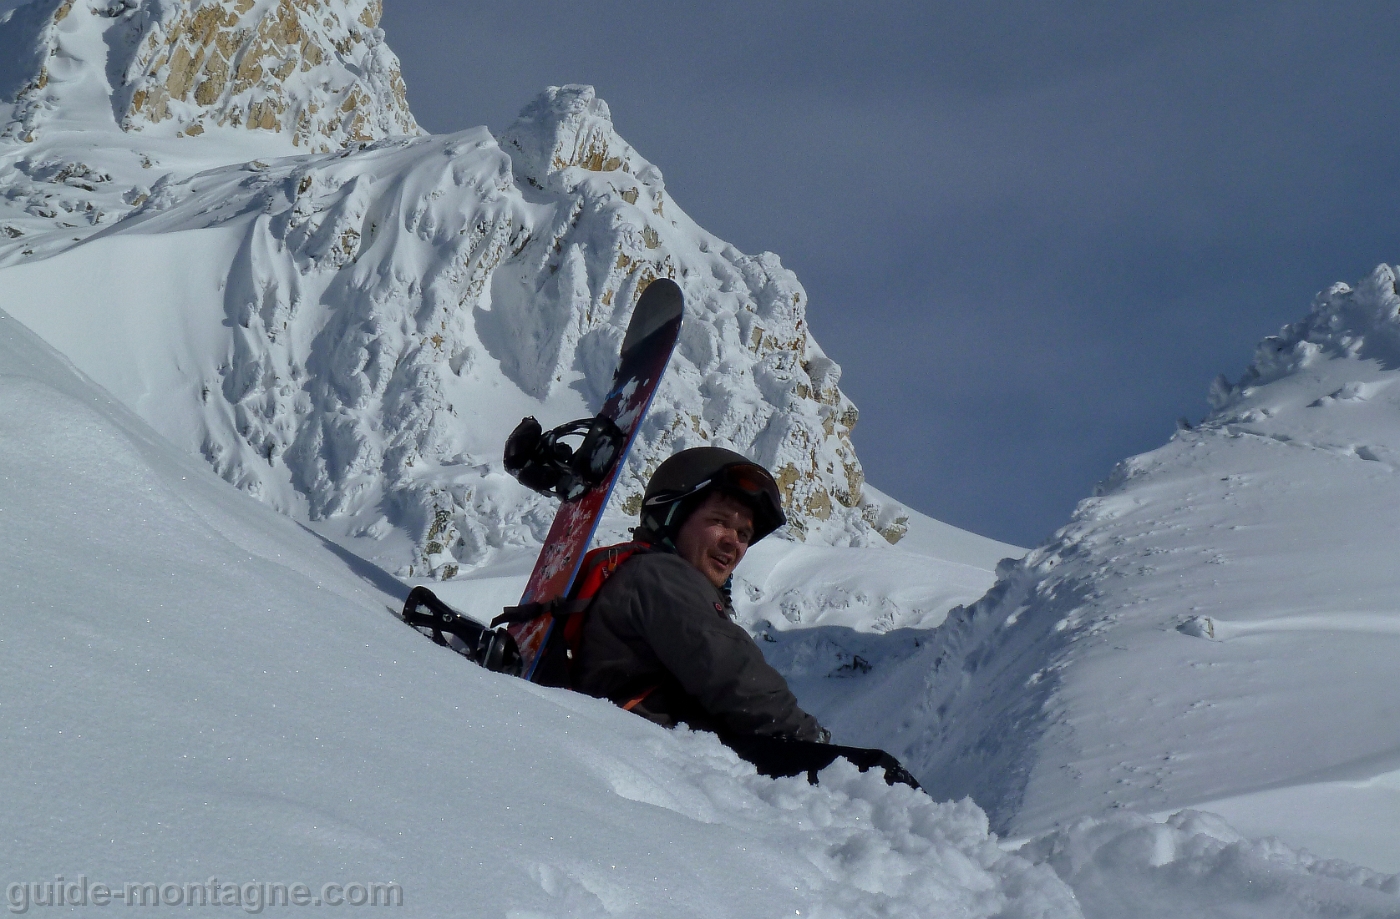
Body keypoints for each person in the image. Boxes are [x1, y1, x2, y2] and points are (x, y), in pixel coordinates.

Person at [573, 447, 919, 788]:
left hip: (660, 753)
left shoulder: (644, 577)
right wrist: (810, 741)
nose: (732, 543)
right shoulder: (660, 575)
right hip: (657, 756)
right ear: (672, 517)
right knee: (876, 775)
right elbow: (732, 673)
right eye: (719, 521)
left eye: (744, 534)